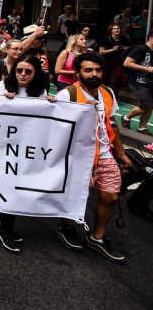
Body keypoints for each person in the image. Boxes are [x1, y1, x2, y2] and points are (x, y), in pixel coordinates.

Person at [55, 52, 131, 263]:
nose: (94, 74)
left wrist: (121, 153)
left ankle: (97, 237)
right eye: (88, 70)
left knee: (110, 196)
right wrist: (77, 112)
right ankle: (65, 226)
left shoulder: (106, 92)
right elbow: (55, 129)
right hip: (78, 156)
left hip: (104, 154)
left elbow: (112, 124)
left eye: (98, 70)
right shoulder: (67, 95)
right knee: (75, 194)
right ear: (78, 72)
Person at [0, 54, 55, 252]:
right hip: (4, 147)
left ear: (36, 74)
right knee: (9, 188)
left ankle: (3, 223)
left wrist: (53, 104)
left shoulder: (40, 92)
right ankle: (6, 228)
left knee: (18, 188)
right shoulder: (2, 87)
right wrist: (4, 101)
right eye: (19, 70)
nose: (23, 75)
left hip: (27, 149)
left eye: (28, 71)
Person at [122, 29, 153, 134]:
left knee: (149, 107)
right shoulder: (140, 49)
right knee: (146, 106)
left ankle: (142, 128)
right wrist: (147, 69)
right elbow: (127, 63)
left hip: (150, 82)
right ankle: (126, 118)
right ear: (151, 39)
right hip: (138, 82)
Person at [99, 22, 130, 94]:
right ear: (111, 30)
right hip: (107, 61)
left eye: (118, 28)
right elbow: (101, 52)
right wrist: (112, 50)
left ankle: (115, 93)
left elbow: (128, 48)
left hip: (118, 61)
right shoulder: (106, 39)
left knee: (120, 76)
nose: (116, 30)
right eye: (114, 29)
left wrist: (126, 49)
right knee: (105, 79)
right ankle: (103, 93)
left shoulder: (124, 39)